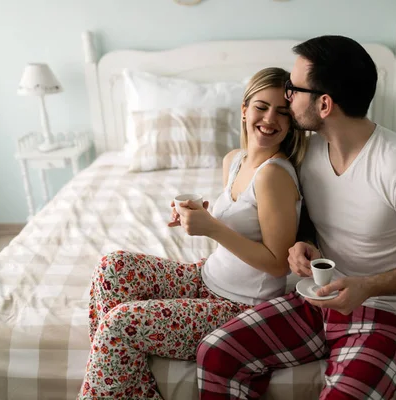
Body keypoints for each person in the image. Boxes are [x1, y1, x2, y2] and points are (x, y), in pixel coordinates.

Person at [196, 36, 396, 400]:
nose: (287, 96)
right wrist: (304, 244)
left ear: (324, 104)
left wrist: (368, 285)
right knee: (216, 352)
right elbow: (309, 217)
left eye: (294, 89)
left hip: (388, 315)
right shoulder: (307, 153)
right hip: (317, 299)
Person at [78, 67, 308, 399]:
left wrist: (211, 228)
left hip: (241, 306)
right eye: (262, 106)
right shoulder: (234, 160)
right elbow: (243, 222)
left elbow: (276, 264)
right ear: (244, 109)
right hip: (206, 278)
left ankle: (118, 368)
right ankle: (127, 381)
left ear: (291, 123)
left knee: (119, 322)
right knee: (112, 269)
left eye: (283, 112)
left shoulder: (274, 176)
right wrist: (202, 214)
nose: (270, 118)